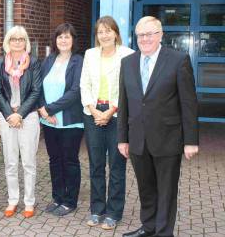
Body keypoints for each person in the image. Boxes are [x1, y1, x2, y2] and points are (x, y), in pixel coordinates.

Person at [118, 16, 199, 237]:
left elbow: (189, 103)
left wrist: (191, 140)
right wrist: (122, 138)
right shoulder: (128, 62)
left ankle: (164, 232)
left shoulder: (178, 60)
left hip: (168, 138)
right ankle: (149, 227)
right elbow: (124, 103)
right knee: (146, 189)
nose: (145, 39)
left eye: (150, 34)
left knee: (166, 191)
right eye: (140, 35)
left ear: (160, 34)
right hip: (138, 139)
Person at [80, 16, 134, 229]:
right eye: (100, 32)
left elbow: (128, 87)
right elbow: (84, 84)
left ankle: (113, 212)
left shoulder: (128, 54)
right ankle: (97, 210)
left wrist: (111, 110)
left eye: (108, 31)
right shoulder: (90, 54)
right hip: (92, 113)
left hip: (117, 114)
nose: (104, 35)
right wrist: (94, 110)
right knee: (96, 165)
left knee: (117, 166)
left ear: (116, 33)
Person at [0, 25, 41, 218]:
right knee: (10, 162)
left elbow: (36, 91)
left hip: (28, 117)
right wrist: (9, 114)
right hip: (7, 118)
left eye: (21, 39)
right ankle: (13, 201)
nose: (17, 42)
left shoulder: (34, 63)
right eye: (14, 39)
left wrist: (20, 113)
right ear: (8, 42)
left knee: (28, 162)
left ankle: (29, 202)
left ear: (26, 42)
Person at [38, 23, 84, 217]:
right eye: (60, 37)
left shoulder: (79, 61)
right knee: (54, 160)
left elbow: (75, 91)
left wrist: (49, 109)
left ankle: (70, 200)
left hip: (70, 121)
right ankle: (57, 197)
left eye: (67, 37)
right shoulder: (48, 60)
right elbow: (38, 86)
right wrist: (43, 111)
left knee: (69, 160)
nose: (63, 40)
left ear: (73, 40)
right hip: (49, 121)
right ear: (55, 40)